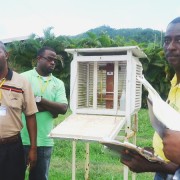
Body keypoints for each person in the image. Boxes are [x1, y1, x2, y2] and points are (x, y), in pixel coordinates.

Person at [121, 17, 180, 180]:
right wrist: (154, 155)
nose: (171, 47)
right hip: (163, 169)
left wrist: (149, 165)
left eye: (179, 40)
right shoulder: (175, 81)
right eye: (167, 41)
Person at [21, 46, 68, 180]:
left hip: (44, 140)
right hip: (20, 138)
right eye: (49, 59)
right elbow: (19, 105)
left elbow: (63, 108)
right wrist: (51, 108)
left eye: (55, 60)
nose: (53, 62)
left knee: (39, 177)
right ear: (39, 59)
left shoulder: (58, 83)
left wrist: (40, 100)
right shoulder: (23, 78)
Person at [0, 41, 37, 180]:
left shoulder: (21, 82)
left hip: (12, 147)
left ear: (6, 55)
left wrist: (33, 149)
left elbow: (31, 115)